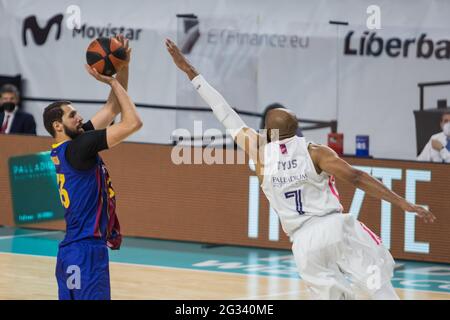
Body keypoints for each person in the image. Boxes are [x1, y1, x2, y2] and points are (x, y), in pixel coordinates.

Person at [165, 38, 436, 300]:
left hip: (304, 243)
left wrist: (190, 70)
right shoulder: (315, 151)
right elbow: (356, 176)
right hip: (334, 227)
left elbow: (223, 111)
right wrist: (402, 203)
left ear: (267, 131)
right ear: (297, 128)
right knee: (379, 286)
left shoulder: (259, 154)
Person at [43, 36, 142, 300]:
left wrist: (122, 68)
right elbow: (133, 122)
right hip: (84, 252)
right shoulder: (80, 147)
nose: (80, 117)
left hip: (75, 250)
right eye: (72, 114)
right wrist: (110, 80)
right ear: (57, 125)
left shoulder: (72, 146)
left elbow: (112, 107)